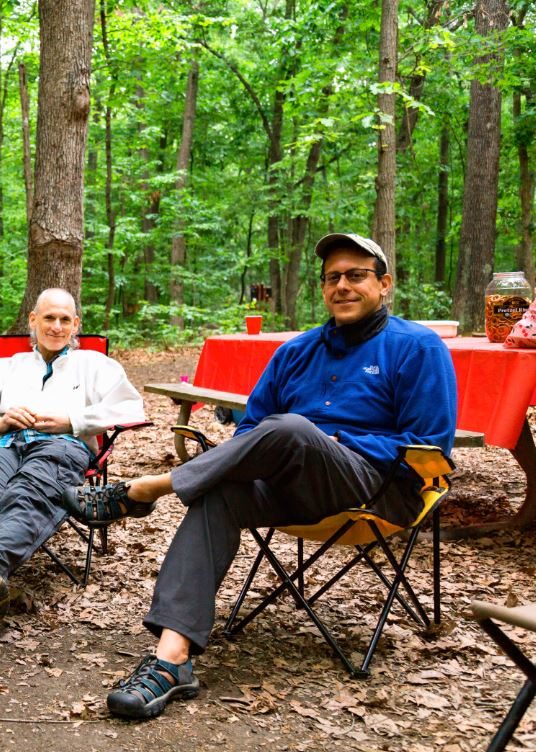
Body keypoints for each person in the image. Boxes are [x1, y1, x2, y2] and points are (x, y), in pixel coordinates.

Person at [60, 233, 457, 720]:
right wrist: (297, 443)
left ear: (385, 285)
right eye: (333, 278)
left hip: (377, 489)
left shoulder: (416, 347)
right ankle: (171, 660)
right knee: (221, 491)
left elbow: (429, 446)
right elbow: (251, 428)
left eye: (356, 275)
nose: (343, 286)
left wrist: (339, 445)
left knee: (292, 429)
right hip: (294, 489)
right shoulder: (297, 351)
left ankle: (148, 488)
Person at [0, 288, 146, 665]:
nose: (57, 326)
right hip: (3, 445)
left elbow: (131, 406)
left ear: (76, 324)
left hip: (61, 447)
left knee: (28, 492)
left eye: (66, 319)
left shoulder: (95, 365)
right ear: (32, 321)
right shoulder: (3, 367)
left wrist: (73, 421)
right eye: (49, 318)